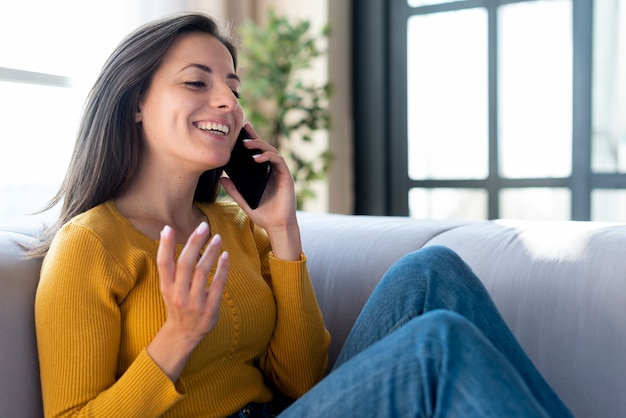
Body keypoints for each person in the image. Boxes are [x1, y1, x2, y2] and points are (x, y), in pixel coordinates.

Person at [32, 11, 572, 418]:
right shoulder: (91, 244)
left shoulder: (237, 227)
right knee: (436, 346)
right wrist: (177, 337)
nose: (227, 101)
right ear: (135, 103)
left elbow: (305, 383)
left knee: (431, 272)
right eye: (198, 82)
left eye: (232, 87)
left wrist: (283, 232)